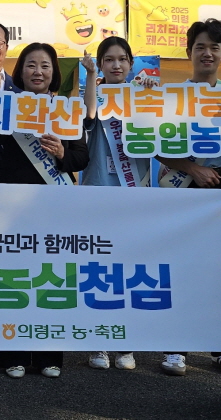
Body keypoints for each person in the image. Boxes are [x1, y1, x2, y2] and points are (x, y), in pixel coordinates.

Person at [0, 42, 88, 379]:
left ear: (54, 72)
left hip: (53, 206)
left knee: (51, 279)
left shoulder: (66, 109)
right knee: (12, 279)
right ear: (20, 71)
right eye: (30, 65)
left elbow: (82, 157)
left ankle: (48, 355)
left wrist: (62, 154)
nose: (38, 72)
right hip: (11, 207)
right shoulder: (5, 106)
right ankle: (12, 354)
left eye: (45, 65)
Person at [156, 18, 221, 377]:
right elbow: (153, 146)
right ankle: (176, 346)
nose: (207, 53)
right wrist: (192, 168)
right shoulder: (172, 96)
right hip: (184, 185)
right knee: (180, 266)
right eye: (200, 47)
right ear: (189, 51)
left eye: (214, 47)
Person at [79, 36, 148, 372]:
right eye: (109, 59)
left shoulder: (146, 97)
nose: (116, 65)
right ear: (101, 64)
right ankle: (99, 340)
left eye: (122, 59)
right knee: (98, 266)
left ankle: (126, 341)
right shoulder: (91, 94)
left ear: (131, 64)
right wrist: (92, 76)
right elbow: (89, 116)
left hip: (135, 193)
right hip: (97, 190)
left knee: (130, 268)